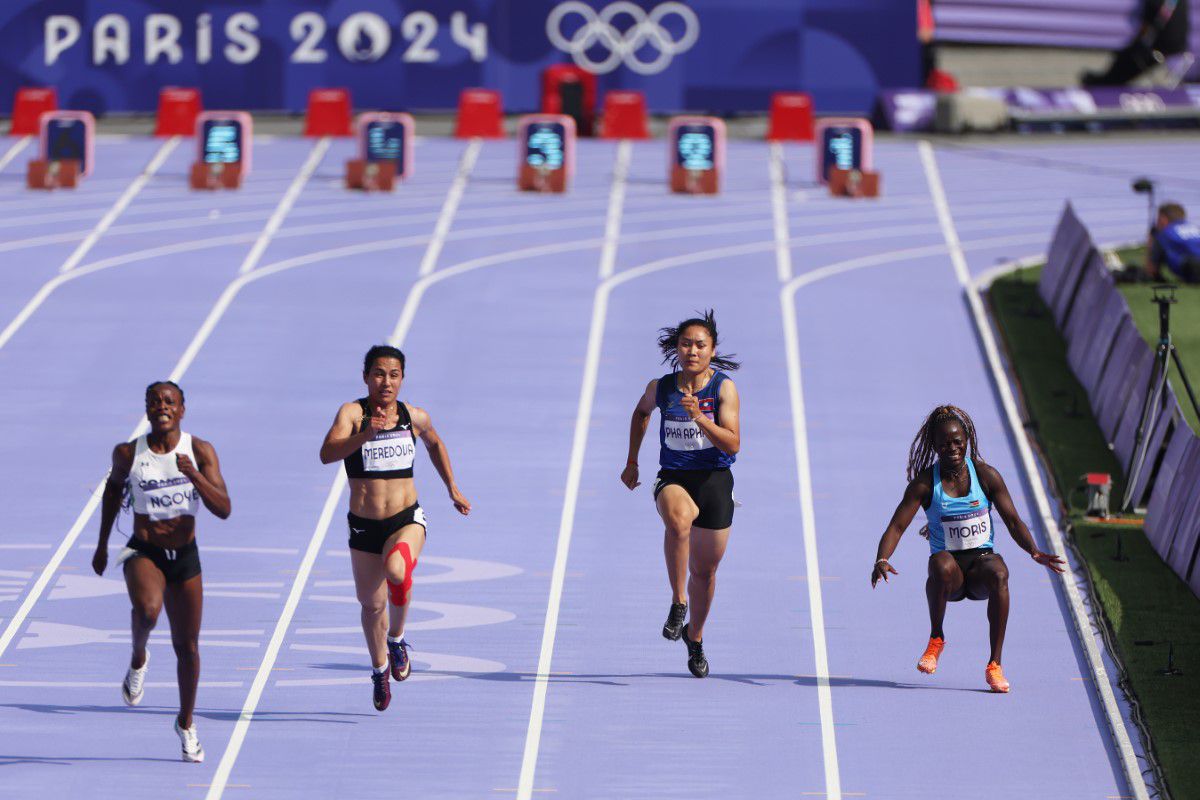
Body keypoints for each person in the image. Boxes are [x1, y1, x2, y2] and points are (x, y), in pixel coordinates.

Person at [870, 405, 1065, 692]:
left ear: (967, 441)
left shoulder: (986, 476)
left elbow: (1013, 520)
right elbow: (897, 526)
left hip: (979, 570)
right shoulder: (925, 484)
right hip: (950, 579)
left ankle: (994, 666)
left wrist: (1033, 551)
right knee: (940, 563)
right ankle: (936, 639)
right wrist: (882, 558)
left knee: (999, 571)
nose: (953, 448)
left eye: (958, 442)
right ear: (935, 446)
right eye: (945, 444)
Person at [319, 344, 470, 710]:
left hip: (405, 519)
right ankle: (379, 669)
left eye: (394, 375)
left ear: (402, 379)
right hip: (364, 527)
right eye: (379, 374)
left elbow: (435, 443)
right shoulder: (352, 414)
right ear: (366, 377)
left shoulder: (413, 416)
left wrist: (451, 486)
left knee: (397, 569)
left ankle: (398, 639)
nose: (386, 382)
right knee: (371, 605)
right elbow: (326, 454)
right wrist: (364, 437)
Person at [92, 381, 232, 762]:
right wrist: (103, 544)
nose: (162, 406)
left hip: (185, 556)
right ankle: (138, 657)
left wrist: (194, 476)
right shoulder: (128, 453)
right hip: (144, 550)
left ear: (182, 409)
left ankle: (186, 723)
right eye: (154, 402)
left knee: (187, 648)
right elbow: (111, 493)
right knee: (149, 610)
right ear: (147, 409)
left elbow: (224, 508)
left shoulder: (199, 451)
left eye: (169, 401)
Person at [621, 310, 741, 678]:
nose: (692, 351)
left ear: (712, 350)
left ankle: (696, 636)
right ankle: (678, 602)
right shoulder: (662, 388)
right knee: (678, 520)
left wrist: (701, 418)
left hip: (715, 481)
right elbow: (641, 413)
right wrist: (632, 461)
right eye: (686, 344)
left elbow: (734, 444)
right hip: (673, 477)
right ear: (676, 348)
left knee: (705, 572)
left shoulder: (723, 388)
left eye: (700, 345)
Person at [1083, 0, 1190, 86]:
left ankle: (1106, 85)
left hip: (1161, 51)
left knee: (1129, 56)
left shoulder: (1154, 2)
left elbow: (1145, 31)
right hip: (1180, 48)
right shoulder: (1178, 2)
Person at [1147, 202, 1200, 284]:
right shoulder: (1195, 228)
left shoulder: (1164, 234)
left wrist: (1151, 240)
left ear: (1163, 219)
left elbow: (1151, 270)